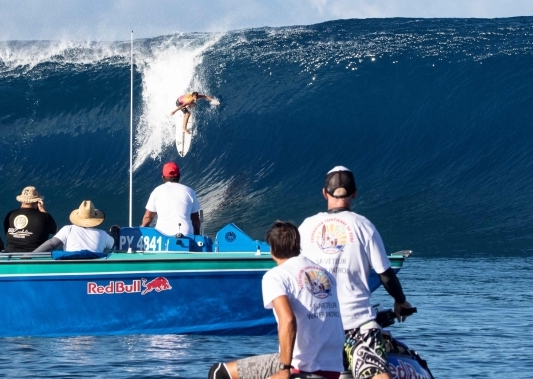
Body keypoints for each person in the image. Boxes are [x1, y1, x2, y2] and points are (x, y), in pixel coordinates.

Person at [298, 167, 413, 379]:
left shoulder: (305, 227)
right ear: (355, 193)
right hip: (358, 324)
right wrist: (401, 301)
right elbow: (385, 274)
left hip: (317, 327)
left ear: (325, 193)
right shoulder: (364, 226)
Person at [210, 222, 344, 379]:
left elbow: (287, 320)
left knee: (218, 373)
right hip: (333, 367)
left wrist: (284, 369)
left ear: (271, 249)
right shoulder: (325, 274)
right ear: (298, 245)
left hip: (301, 366)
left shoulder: (277, 276)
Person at [141, 161, 201, 237]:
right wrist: (197, 235)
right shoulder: (189, 191)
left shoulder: (157, 191)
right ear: (179, 175)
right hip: (186, 235)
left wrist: (141, 231)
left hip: (162, 235)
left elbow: (148, 217)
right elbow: (195, 219)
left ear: (163, 177)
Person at [33, 201, 114, 254]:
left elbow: (51, 244)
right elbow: (113, 243)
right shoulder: (102, 234)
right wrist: (115, 230)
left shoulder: (68, 229)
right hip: (93, 270)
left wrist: (30, 256)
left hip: (69, 268)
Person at [3, 186, 58, 252]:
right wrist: (43, 212)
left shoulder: (10, 214)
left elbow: (6, 231)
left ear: (21, 200)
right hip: (33, 255)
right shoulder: (44, 216)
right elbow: (55, 231)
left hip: (9, 253)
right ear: (38, 202)